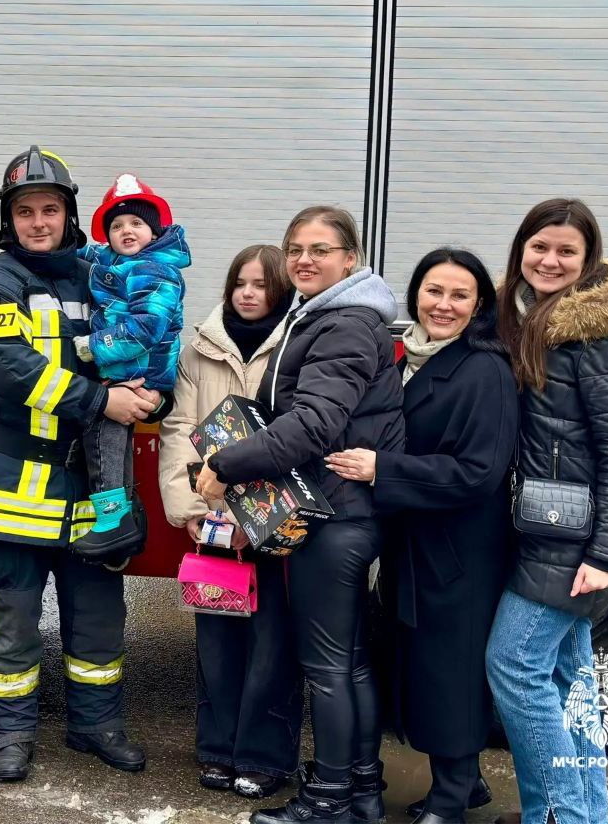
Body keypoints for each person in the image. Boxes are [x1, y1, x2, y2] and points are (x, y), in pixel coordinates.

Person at [195, 205, 404, 824]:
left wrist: (227, 463)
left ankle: (330, 800)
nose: (304, 260)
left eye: (320, 249)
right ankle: (361, 792)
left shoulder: (343, 325)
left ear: (350, 259)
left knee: (327, 668)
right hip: (344, 514)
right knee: (350, 661)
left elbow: (312, 425)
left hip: (334, 521)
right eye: (296, 249)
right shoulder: (322, 317)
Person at [0, 146, 157, 784]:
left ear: (70, 214)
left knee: (98, 613)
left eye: (49, 208)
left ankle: (96, 724)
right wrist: (103, 399)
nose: (38, 221)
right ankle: (9, 732)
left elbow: (143, 340)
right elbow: (7, 368)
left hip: (91, 483)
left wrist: (154, 389)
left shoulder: (101, 276)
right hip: (17, 479)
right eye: (25, 211)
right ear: (8, 221)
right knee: (12, 620)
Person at [483, 199, 608, 824]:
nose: (550, 260)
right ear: (521, 248)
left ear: (587, 261)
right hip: (541, 527)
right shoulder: (522, 316)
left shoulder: (601, 332)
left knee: (513, 669)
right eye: (540, 246)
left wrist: (607, 554)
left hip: (570, 538)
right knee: (567, 687)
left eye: (566, 251)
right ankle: (583, 813)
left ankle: (557, 815)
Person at [327, 248, 517, 824]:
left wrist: (384, 469)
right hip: (421, 542)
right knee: (429, 665)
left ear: (479, 304)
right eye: (434, 291)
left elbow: (479, 472)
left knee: (450, 671)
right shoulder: (411, 355)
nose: (443, 304)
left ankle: (451, 801)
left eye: (459, 295)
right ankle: (468, 784)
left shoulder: (484, 370)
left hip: (460, 549)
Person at [159, 245, 302, 801]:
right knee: (216, 641)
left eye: (261, 285)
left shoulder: (298, 344)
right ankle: (218, 750)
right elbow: (180, 430)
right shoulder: (201, 348)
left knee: (273, 645)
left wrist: (260, 520)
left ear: (282, 292)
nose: (247, 294)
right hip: (214, 523)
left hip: (273, 525)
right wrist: (195, 513)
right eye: (239, 282)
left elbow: (301, 438)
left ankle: (264, 757)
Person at [73, 173, 190, 563]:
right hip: (126, 368)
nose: (126, 230)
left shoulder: (155, 271)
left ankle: (113, 519)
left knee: (103, 429)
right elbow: (86, 255)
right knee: (113, 436)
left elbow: (145, 328)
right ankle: (122, 516)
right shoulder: (120, 261)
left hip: (137, 369)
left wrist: (92, 347)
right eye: (117, 225)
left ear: (154, 232)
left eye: (137, 223)